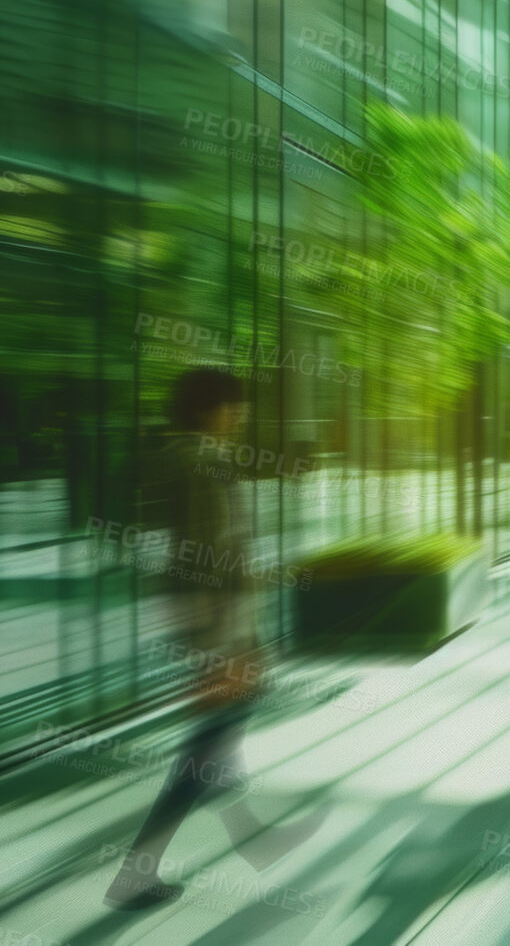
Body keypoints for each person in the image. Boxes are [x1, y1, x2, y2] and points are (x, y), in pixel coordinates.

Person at [104, 369, 323, 910]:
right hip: (218, 635)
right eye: (233, 405)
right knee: (205, 752)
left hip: (211, 630)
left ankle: (253, 842)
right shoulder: (201, 463)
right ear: (210, 409)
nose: (240, 415)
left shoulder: (186, 458)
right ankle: (140, 872)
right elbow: (206, 557)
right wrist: (226, 647)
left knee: (215, 745)